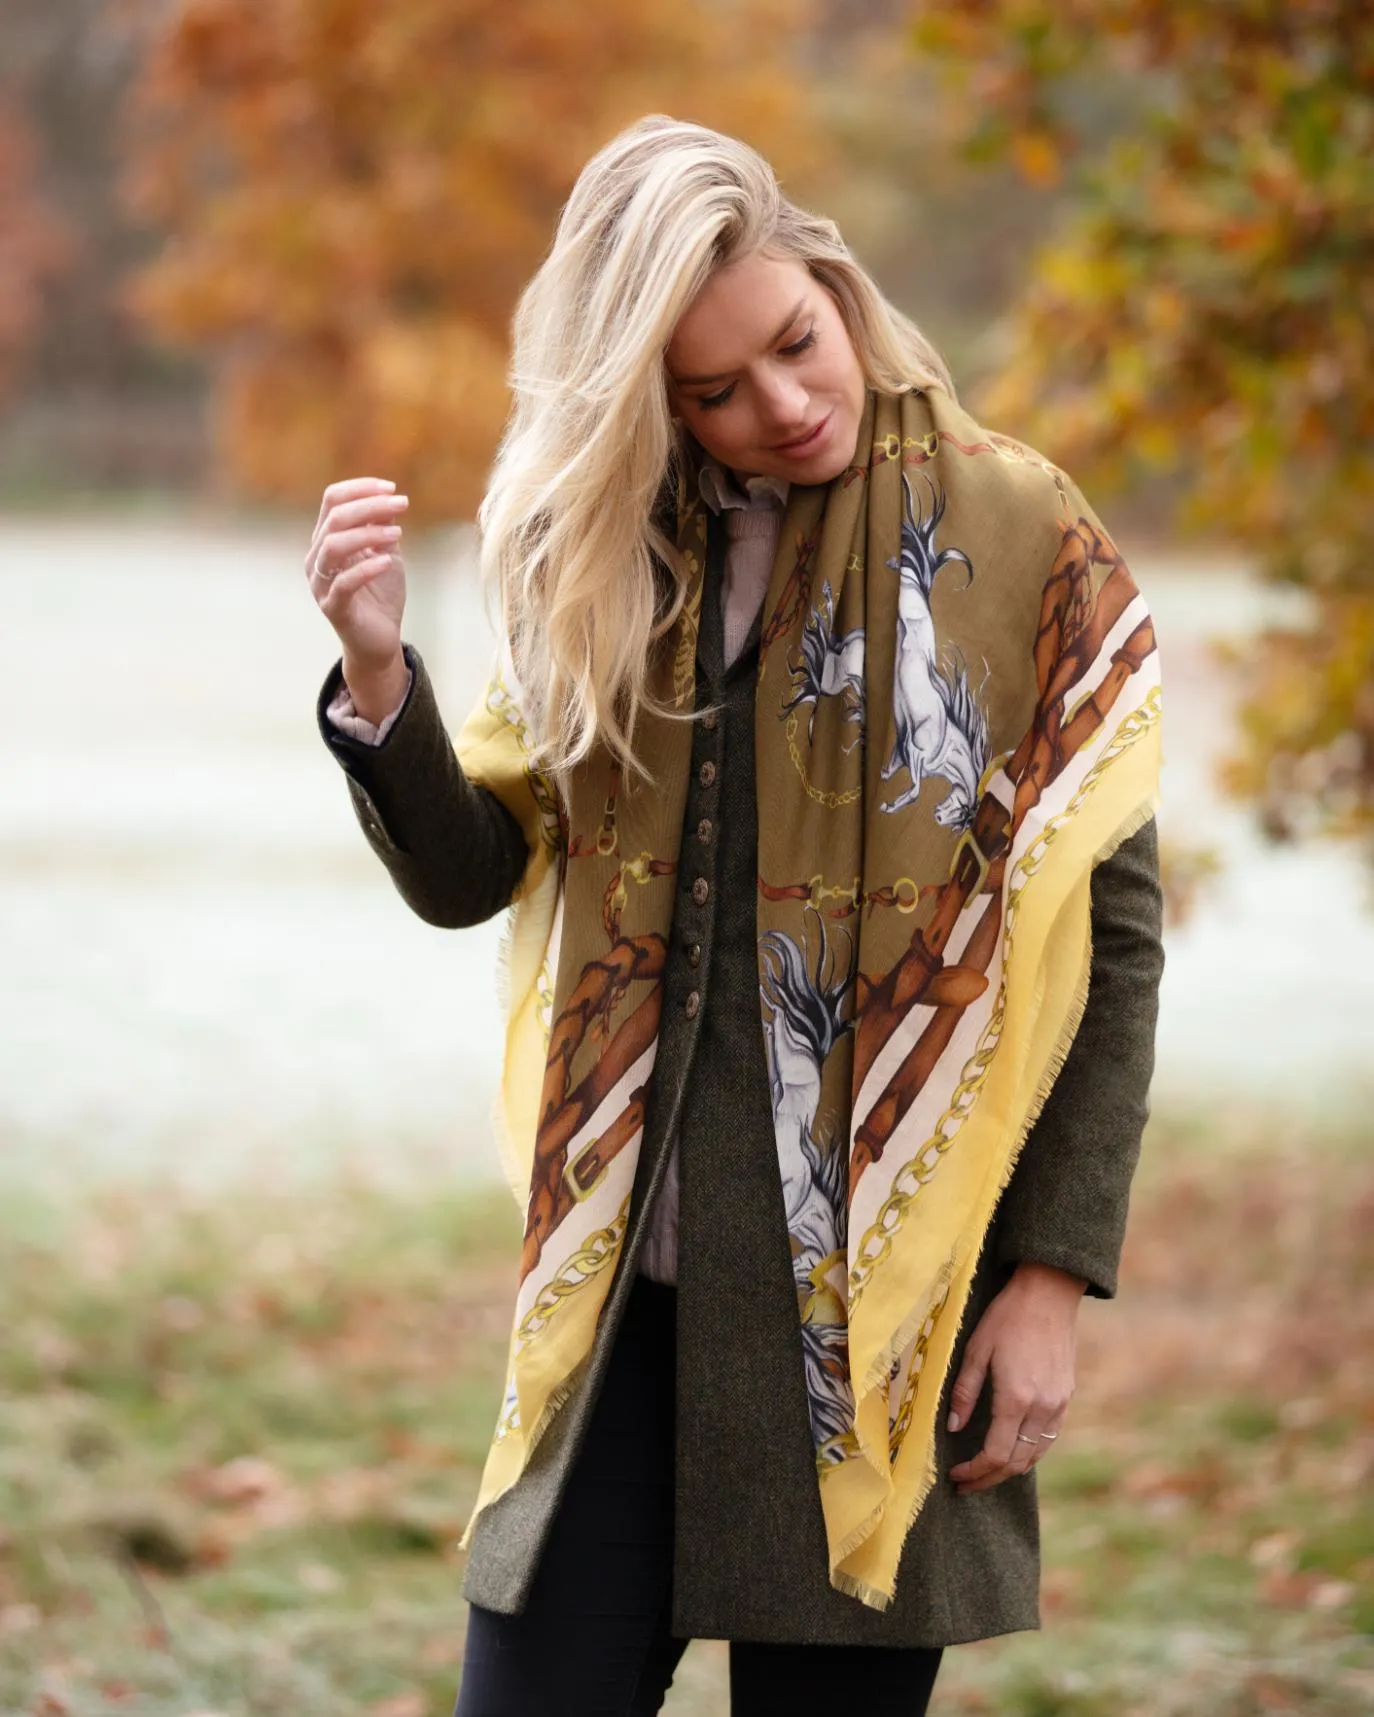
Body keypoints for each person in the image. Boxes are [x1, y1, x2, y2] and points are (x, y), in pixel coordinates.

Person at [305, 115, 1165, 1717]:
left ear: (833, 288)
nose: (781, 405)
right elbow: (471, 874)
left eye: (793, 343)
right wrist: (376, 677)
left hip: (871, 1328)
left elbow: (1108, 940)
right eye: (713, 390)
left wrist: (1049, 1278)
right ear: (651, 401)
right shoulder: (605, 549)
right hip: (621, 1308)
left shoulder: (1017, 534)